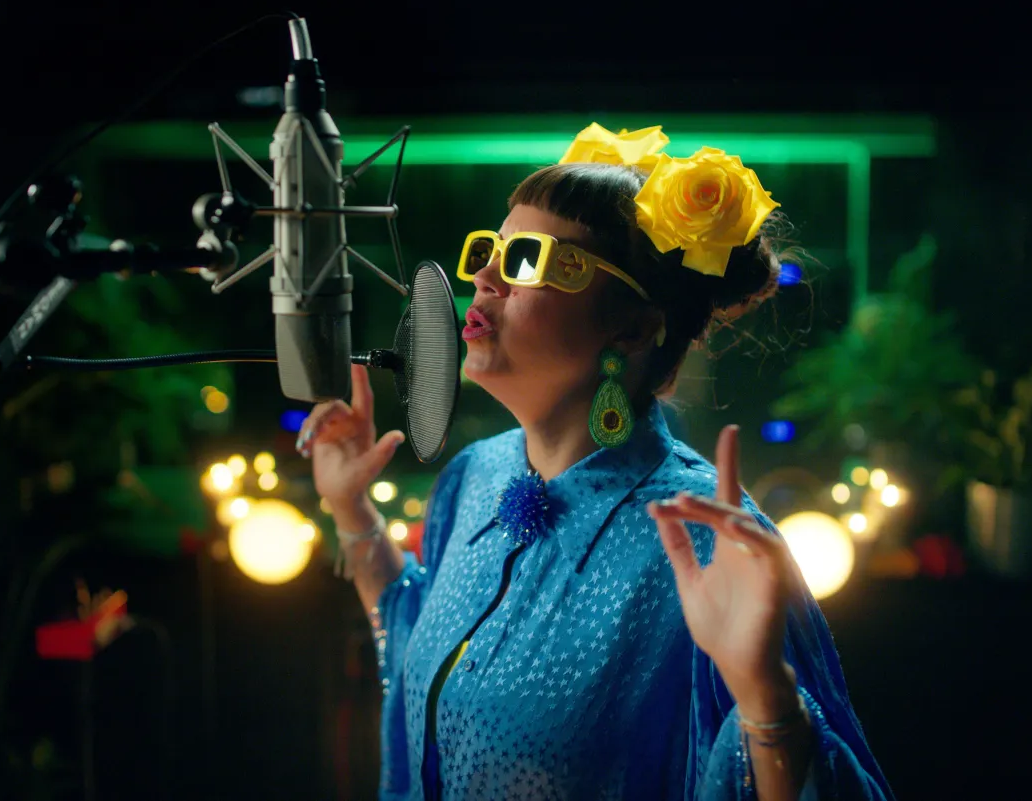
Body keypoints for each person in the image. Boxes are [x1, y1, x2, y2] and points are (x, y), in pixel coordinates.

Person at [296, 124, 894, 800]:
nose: (485, 277)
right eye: (490, 250)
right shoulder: (473, 477)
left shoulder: (709, 541)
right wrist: (351, 509)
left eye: (528, 258)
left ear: (632, 327)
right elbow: (426, 660)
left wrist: (766, 697)